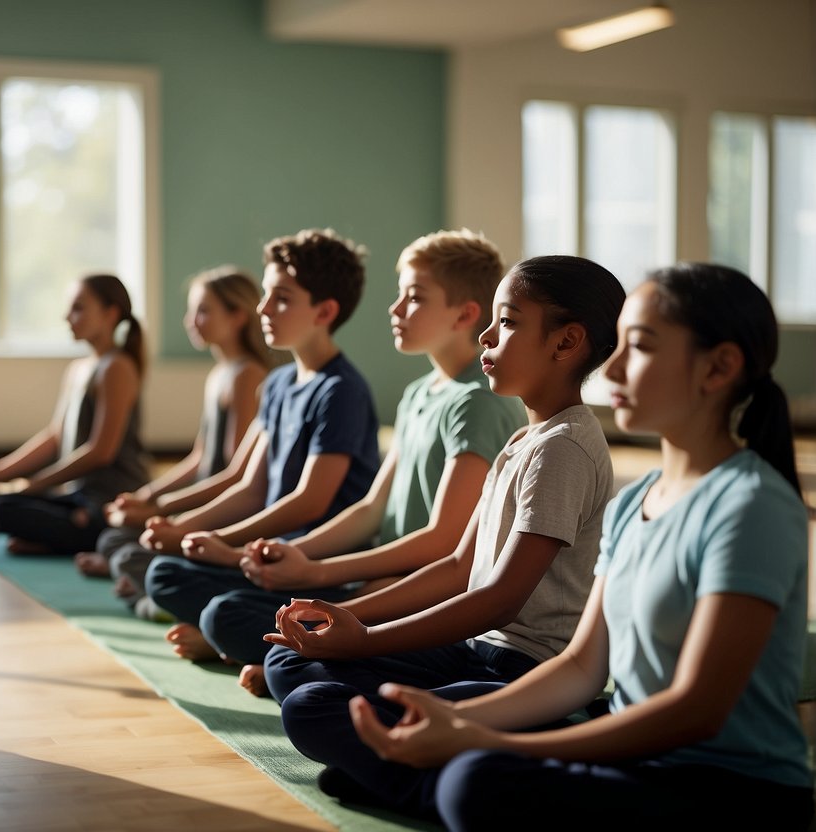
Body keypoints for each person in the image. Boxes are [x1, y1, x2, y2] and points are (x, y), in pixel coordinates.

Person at [338, 263, 813, 831]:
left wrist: (487, 739)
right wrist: (457, 721)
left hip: (729, 789)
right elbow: (583, 665)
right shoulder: (636, 499)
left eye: (638, 347)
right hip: (638, 762)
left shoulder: (751, 505)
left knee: (472, 782)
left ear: (719, 366)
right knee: (454, 771)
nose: (611, 368)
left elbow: (697, 710)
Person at [267, 255, 624, 798]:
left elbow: (501, 601)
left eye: (506, 322)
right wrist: (344, 619)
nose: (485, 336)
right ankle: (401, 762)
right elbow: (460, 567)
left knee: (311, 706)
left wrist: (364, 642)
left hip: (519, 672)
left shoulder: (565, 448)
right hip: (472, 649)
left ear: (565, 343)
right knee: (290, 661)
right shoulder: (524, 439)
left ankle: (412, 777)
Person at [181, 229, 528, 693]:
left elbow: (444, 544)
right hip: (380, 579)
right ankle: (271, 648)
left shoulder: (476, 403)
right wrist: (301, 558)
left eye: (414, 297)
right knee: (227, 612)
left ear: (465, 314)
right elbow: (370, 510)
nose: (395, 308)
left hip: (426, 593)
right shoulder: (417, 395)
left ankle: (277, 653)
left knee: (263, 644)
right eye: (399, 295)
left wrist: (319, 573)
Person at [143, 228, 382, 662]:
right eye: (266, 294)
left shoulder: (341, 390)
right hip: (263, 561)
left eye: (282, 299)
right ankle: (241, 639)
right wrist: (187, 531)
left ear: (325, 311)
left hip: (313, 568)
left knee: (222, 616)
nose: (263, 308)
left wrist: (225, 547)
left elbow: (310, 502)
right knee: (165, 573)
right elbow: (249, 486)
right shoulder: (276, 383)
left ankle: (233, 641)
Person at [73, 267, 271, 612]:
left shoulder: (247, 376)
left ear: (238, 316)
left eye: (203, 311)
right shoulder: (220, 374)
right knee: (114, 538)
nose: (192, 320)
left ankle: (154, 591)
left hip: (225, 513)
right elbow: (199, 458)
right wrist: (145, 496)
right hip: (202, 504)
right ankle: (144, 581)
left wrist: (164, 513)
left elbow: (234, 478)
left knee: (125, 548)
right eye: (192, 310)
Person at [0, 274, 150, 555]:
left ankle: (74, 535)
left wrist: (34, 486)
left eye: (78, 308)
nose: (68, 317)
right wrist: (3, 472)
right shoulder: (79, 368)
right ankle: (61, 532)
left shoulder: (117, 367)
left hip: (108, 501)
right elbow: (56, 435)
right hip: (77, 496)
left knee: (3, 510)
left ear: (110, 313)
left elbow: (101, 452)